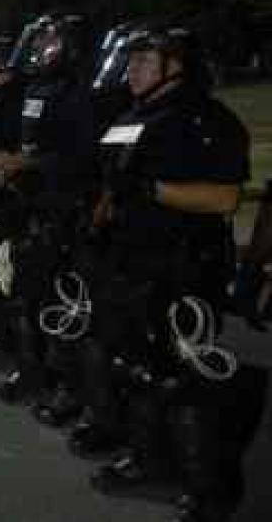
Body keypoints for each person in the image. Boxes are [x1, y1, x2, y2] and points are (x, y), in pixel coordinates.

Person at [74, 28, 249, 522]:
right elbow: (116, 180)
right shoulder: (133, 117)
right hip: (133, 260)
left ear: (177, 66)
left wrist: (150, 191)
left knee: (185, 376)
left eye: (144, 61)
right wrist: (101, 218)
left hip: (184, 266)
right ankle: (151, 459)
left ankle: (209, 487)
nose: (132, 70)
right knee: (137, 363)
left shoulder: (202, 119)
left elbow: (224, 198)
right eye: (130, 61)